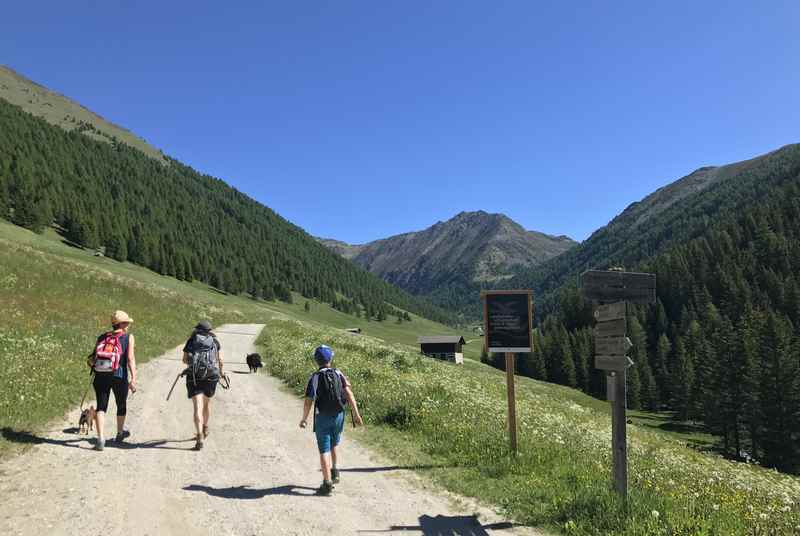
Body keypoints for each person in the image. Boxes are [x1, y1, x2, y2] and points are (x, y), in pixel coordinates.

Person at [299, 345, 363, 496]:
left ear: (316, 360)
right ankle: (335, 471)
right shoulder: (338, 373)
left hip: (323, 417)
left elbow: (309, 400)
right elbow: (348, 393)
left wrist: (304, 419)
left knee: (324, 449)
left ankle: (327, 483)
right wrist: (356, 413)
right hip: (339, 415)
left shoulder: (315, 377)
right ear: (330, 358)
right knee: (334, 443)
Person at [89, 310, 137, 451]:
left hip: (101, 375)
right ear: (122, 324)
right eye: (127, 322)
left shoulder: (102, 337)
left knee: (101, 407)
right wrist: (133, 378)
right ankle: (120, 433)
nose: (128, 325)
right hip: (119, 375)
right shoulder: (128, 337)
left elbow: (92, 359)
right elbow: (130, 359)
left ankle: (101, 439)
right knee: (121, 404)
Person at [182, 320, 223, 450]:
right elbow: (219, 360)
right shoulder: (215, 342)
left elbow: (184, 360)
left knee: (197, 407)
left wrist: (192, 363)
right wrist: (221, 372)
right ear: (209, 330)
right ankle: (205, 429)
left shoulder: (192, 340)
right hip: (211, 376)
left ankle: (199, 436)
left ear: (197, 329)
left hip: (194, 377)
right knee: (206, 404)